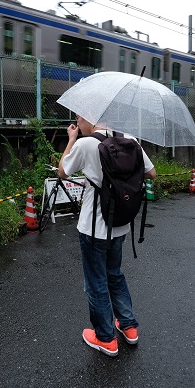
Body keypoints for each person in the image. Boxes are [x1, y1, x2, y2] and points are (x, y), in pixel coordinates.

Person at [58, 115, 156, 358]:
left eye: (79, 119)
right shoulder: (130, 141)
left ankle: (105, 338)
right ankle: (129, 326)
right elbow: (151, 174)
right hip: (121, 225)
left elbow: (62, 172)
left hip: (93, 228)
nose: (77, 124)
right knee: (115, 274)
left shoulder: (86, 144)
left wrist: (71, 140)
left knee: (96, 282)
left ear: (87, 119)